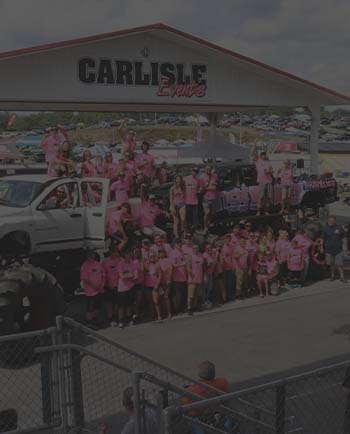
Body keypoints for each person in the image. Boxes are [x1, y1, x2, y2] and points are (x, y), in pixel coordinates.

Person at [181, 361, 230, 429]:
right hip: (218, 411)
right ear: (214, 373)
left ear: (199, 374)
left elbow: (185, 405)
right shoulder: (223, 382)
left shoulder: (191, 390)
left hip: (199, 416)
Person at [80, 250, 105, 325]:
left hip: (99, 290)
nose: (91, 256)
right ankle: (89, 322)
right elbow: (85, 279)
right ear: (87, 256)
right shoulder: (84, 266)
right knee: (90, 308)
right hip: (90, 292)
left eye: (93, 254)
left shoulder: (98, 264)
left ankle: (95, 320)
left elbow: (103, 275)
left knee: (97, 306)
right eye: (90, 255)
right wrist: (96, 287)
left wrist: (102, 285)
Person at [324, 216, 348, 282]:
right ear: (328, 221)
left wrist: (345, 247)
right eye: (330, 221)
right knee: (331, 264)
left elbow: (344, 238)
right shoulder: (325, 229)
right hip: (329, 250)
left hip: (339, 249)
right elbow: (323, 239)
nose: (331, 222)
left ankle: (342, 277)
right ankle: (332, 276)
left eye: (332, 221)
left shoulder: (339, 228)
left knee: (340, 264)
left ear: (335, 221)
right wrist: (321, 247)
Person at [251, 144, 274, 215]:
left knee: (269, 197)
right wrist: (254, 146)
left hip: (269, 181)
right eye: (262, 154)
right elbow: (253, 153)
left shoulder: (268, 162)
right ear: (260, 155)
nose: (264, 155)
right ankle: (258, 211)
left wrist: (269, 172)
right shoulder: (258, 161)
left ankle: (266, 210)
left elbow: (271, 171)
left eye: (264, 154)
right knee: (261, 197)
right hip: (262, 181)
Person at [117, 250, 137, 328]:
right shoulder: (120, 264)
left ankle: (129, 320)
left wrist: (127, 275)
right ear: (124, 255)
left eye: (129, 253)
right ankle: (121, 321)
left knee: (129, 305)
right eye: (127, 254)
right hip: (122, 288)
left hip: (131, 287)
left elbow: (136, 277)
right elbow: (121, 276)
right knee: (121, 306)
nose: (129, 255)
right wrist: (130, 275)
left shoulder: (133, 264)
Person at [102, 244, 120, 326]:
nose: (116, 253)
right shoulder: (105, 261)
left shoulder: (120, 260)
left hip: (118, 285)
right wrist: (107, 283)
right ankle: (110, 319)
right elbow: (103, 274)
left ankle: (115, 317)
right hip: (108, 286)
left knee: (117, 303)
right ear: (111, 252)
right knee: (109, 303)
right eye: (115, 252)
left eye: (117, 251)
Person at [170, 239, 188, 314]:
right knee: (178, 295)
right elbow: (173, 265)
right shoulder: (173, 253)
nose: (179, 245)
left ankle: (183, 309)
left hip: (184, 277)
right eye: (178, 244)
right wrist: (183, 264)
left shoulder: (181, 252)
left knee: (183, 294)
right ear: (175, 245)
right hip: (177, 278)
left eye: (180, 244)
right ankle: (178, 310)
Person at [199, 166, 218, 233]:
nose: (208, 170)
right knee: (207, 213)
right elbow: (201, 189)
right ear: (205, 169)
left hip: (213, 197)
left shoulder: (215, 176)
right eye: (207, 169)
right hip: (205, 197)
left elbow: (214, 187)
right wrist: (209, 188)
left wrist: (206, 188)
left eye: (209, 169)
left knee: (212, 213)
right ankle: (205, 227)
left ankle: (209, 224)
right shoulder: (201, 177)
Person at [187, 244, 204, 315]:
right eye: (194, 248)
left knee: (197, 294)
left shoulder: (201, 255)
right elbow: (188, 268)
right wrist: (192, 276)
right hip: (192, 280)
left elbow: (203, 266)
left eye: (197, 248)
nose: (195, 249)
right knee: (191, 295)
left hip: (199, 278)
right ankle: (189, 308)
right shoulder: (190, 256)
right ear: (192, 249)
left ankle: (195, 307)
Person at [143, 252, 161, 320]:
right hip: (147, 286)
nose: (152, 258)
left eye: (153, 256)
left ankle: (159, 315)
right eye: (150, 257)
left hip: (154, 285)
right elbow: (143, 271)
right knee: (150, 302)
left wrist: (157, 284)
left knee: (156, 301)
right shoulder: (146, 265)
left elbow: (160, 276)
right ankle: (153, 315)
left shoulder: (157, 265)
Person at [158, 248, 172, 319]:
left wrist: (169, 280)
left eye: (162, 252)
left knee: (166, 297)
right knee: (161, 298)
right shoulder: (157, 261)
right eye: (159, 253)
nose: (161, 254)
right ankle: (163, 313)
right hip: (160, 283)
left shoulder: (167, 260)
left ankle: (169, 313)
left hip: (166, 282)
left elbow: (170, 270)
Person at [221, 234, 235, 299]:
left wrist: (233, 266)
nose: (228, 240)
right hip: (224, 268)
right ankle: (225, 296)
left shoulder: (231, 246)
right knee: (224, 282)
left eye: (229, 239)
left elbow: (232, 257)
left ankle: (229, 295)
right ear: (224, 239)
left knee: (230, 282)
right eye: (227, 239)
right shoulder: (222, 247)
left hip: (230, 267)